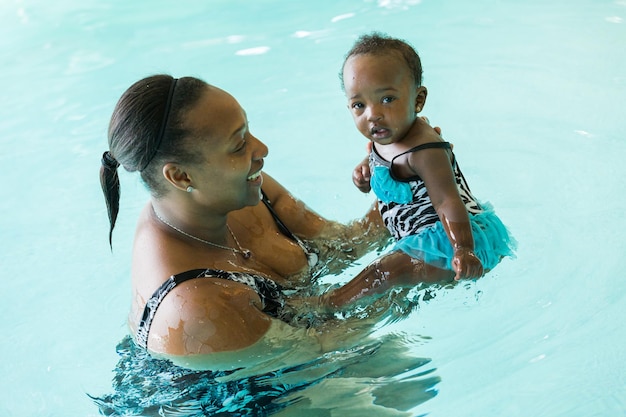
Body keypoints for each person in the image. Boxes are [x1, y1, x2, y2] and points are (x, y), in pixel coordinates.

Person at [95, 74, 445, 415]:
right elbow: (320, 343)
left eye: (247, 131)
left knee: (415, 375)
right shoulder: (192, 305)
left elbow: (344, 246)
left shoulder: (238, 190)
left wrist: (408, 179)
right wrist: (400, 278)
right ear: (182, 176)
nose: (261, 150)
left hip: (282, 351)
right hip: (227, 397)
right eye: (238, 144)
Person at [340, 32, 516, 288]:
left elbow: (446, 200)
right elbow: (383, 162)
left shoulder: (424, 150)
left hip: (449, 240)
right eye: (359, 105)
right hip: (419, 233)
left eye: (387, 99)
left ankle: (328, 303)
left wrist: (463, 250)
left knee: (381, 274)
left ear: (418, 100)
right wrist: (365, 171)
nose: (373, 115)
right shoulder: (389, 131)